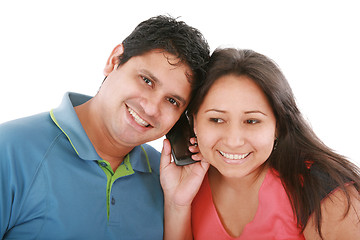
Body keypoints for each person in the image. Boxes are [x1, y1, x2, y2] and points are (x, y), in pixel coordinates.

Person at [0, 15, 210, 239]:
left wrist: (177, 205)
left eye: (172, 101)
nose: (150, 108)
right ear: (114, 60)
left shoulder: (166, 178)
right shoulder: (10, 149)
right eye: (146, 80)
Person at [160, 48, 360, 239]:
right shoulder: (190, 183)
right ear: (194, 121)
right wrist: (177, 204)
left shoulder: (325, 193)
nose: (234, 141)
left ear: (278, 126)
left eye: (252, 121)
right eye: (217, 120)